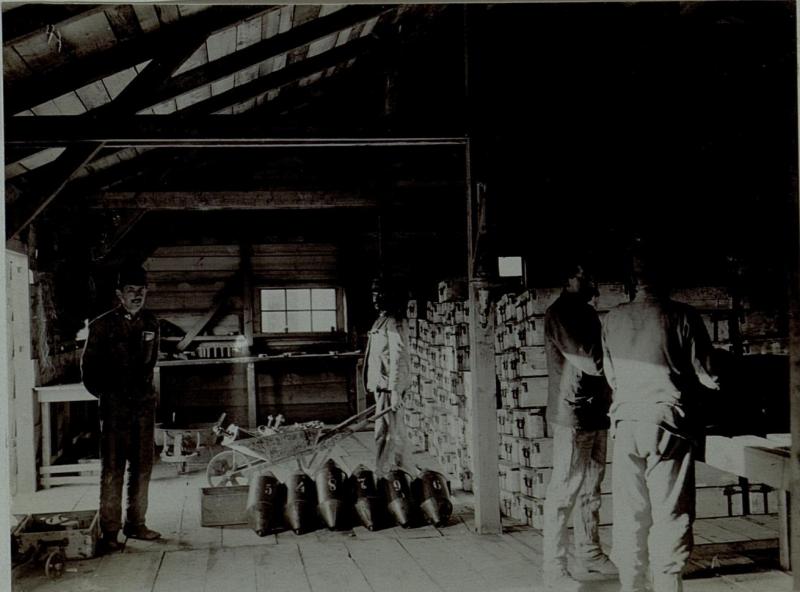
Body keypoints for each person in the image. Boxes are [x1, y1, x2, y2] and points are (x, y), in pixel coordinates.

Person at [601, 243, 719, 592]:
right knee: (670, 513)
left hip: (625, 423)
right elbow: (709, 375)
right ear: (667, 278)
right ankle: (667, 584)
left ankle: (631, 586)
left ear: (631, 281)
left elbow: (611, 376)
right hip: (667, 423)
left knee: (630, 513)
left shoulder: (612, 318)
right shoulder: (682, 315)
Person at [542, 262, 617, 591]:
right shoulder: (559, 314)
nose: (592, 282)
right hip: (572, 413)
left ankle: (589, 553)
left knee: (591, 487)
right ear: (567, 279)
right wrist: (624, 362)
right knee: (564, 491)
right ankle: (554, 568)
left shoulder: (586, 312)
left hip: (596, 411)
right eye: (585, 277)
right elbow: (589, 361)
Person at [81, 264, 162, 552]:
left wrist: (144, 396)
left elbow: (151, 363)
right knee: (113, 469)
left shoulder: (152, 323)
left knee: (142, 467)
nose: (137, 296)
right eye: (131, 291)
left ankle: (136, 523)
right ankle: (110, 531)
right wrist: (110, 397)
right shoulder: (101, 325)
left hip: (143, 407)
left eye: (142, 291)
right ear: (119, 294)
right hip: (115, 409)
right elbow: (88, 373)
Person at [362, 276, 412, 476]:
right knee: (391, 432)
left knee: (387, 434)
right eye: (373, 293)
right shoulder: (380, 321)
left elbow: (399, 358)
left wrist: (396, 390)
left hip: (389, 387)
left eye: (379, 294)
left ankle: (385, 473)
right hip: (381, 386)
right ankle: (402, 470)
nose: (375, 298)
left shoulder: (395, 322)